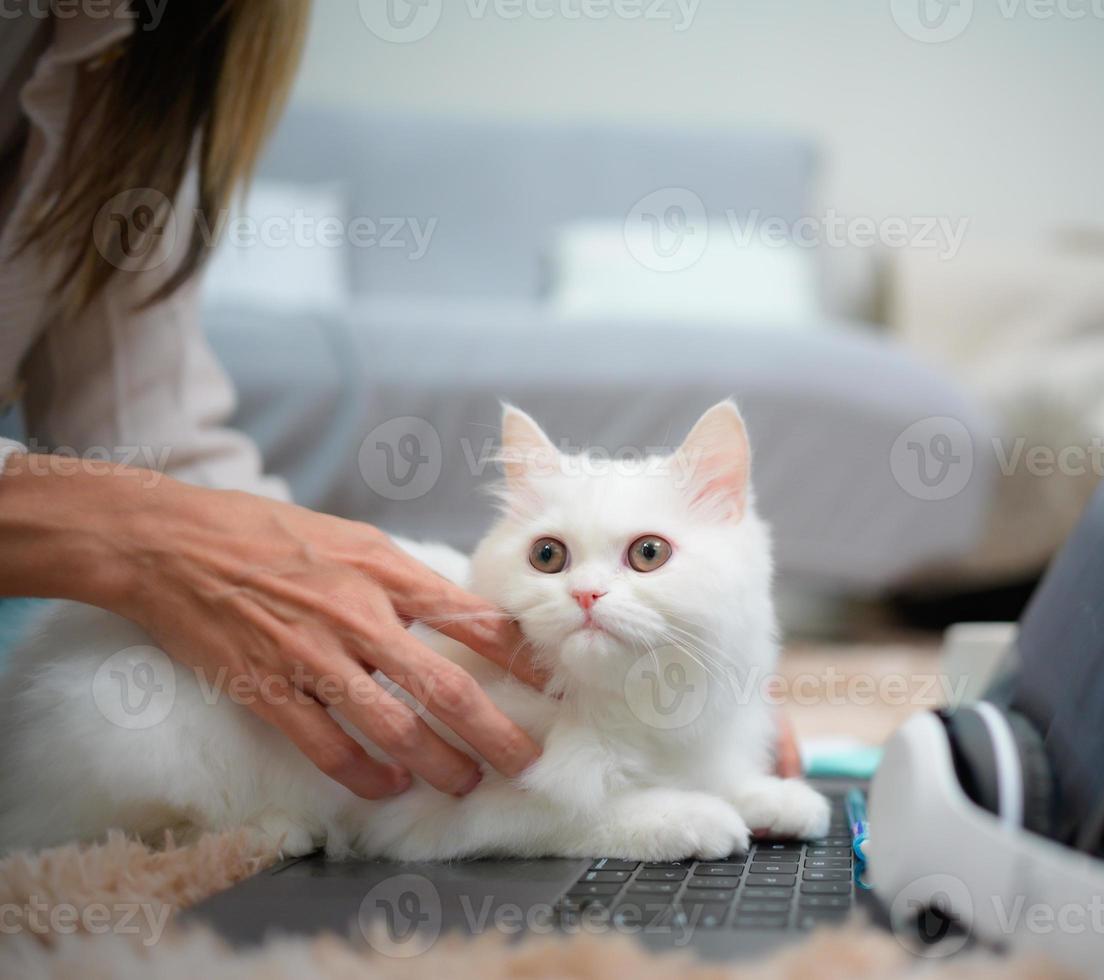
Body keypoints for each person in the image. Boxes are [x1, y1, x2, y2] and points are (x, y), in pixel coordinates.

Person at [0, 2, 800, 804]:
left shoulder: (149, 58)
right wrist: (135, 537)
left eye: (648, 556)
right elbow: (144, 506)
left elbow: (145, 442)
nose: (588, 587)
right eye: (552, 556)